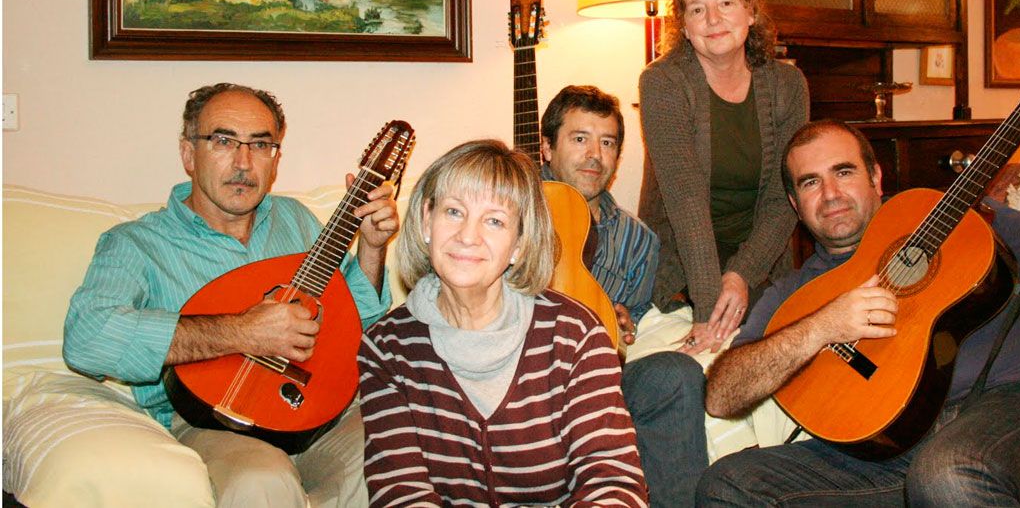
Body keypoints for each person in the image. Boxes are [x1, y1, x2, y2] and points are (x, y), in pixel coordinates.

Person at [697, 60, 1020, 506]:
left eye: (843, 172)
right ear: (794, 204)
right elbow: (722, 396)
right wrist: (825, 325)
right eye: (810, 183)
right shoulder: (796, 292)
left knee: (947, 474)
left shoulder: (956, 217)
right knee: (726, 484)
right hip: (894, 450)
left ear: (875, 177)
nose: (831, 194)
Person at [63, 83, 399, 507]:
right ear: (189, 154)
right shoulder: (136, 243)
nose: (243, 162)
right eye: (223, 141)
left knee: (395, 451)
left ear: (276, 159)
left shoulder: (295, 220)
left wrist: (371, 248)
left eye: (260, 144)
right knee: (260, 479)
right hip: (211, 422)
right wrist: (240, 332)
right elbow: (87, 339)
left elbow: (356, 328)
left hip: (315, 411)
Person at [357, 139, 648, 506]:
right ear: (426, 220)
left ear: (520, 245)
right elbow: (400, 493)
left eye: (494, 220)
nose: (467, 236)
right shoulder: (386, 348)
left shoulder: (575, 334)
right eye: (453, 212)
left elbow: (614, 480)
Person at [541, 85, 707, 506]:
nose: (594, 154)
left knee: (677, 374)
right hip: (518, 383)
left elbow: (624, 337)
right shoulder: (509, 208)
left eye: (608, 142)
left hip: (598, 385)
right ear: (546, 147)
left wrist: (619, 328)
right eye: (580, 139)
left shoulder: (639, 241)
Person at [639, 0, 810, 355]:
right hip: (683, 268)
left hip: (762, 261)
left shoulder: (788, 85)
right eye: (697, 9)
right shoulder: (663, 83)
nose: (712, 18)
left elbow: (784, 199)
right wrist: (707, 309)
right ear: (684, 26)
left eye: (726, 3)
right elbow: (685, 202)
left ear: (751, 11)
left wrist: (742, 274)